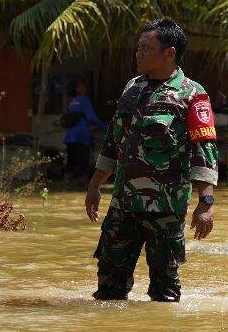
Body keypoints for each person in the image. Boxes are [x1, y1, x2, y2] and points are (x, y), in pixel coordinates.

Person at [84, 18, 218, 302]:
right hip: (123, 204)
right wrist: (95, 185)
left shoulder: (193, 94)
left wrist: (205, 203)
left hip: (165, 209)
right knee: (108, 286)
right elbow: (113, 140)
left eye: (146, 47)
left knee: (164, 292)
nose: (138, 53)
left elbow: (204, 150)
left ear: (169, 52)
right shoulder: (131, 87)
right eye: (138, 47)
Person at [63, 77, 107, 183]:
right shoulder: (84, 99)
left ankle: (66, 185)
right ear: (77, 88)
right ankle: (82, 189)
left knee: (71, 163)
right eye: (82, 85)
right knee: (82, 165)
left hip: (70, 137)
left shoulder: (72, 101)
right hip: (81, 136)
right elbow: (91, 117)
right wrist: (106, 127)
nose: (85, 87)